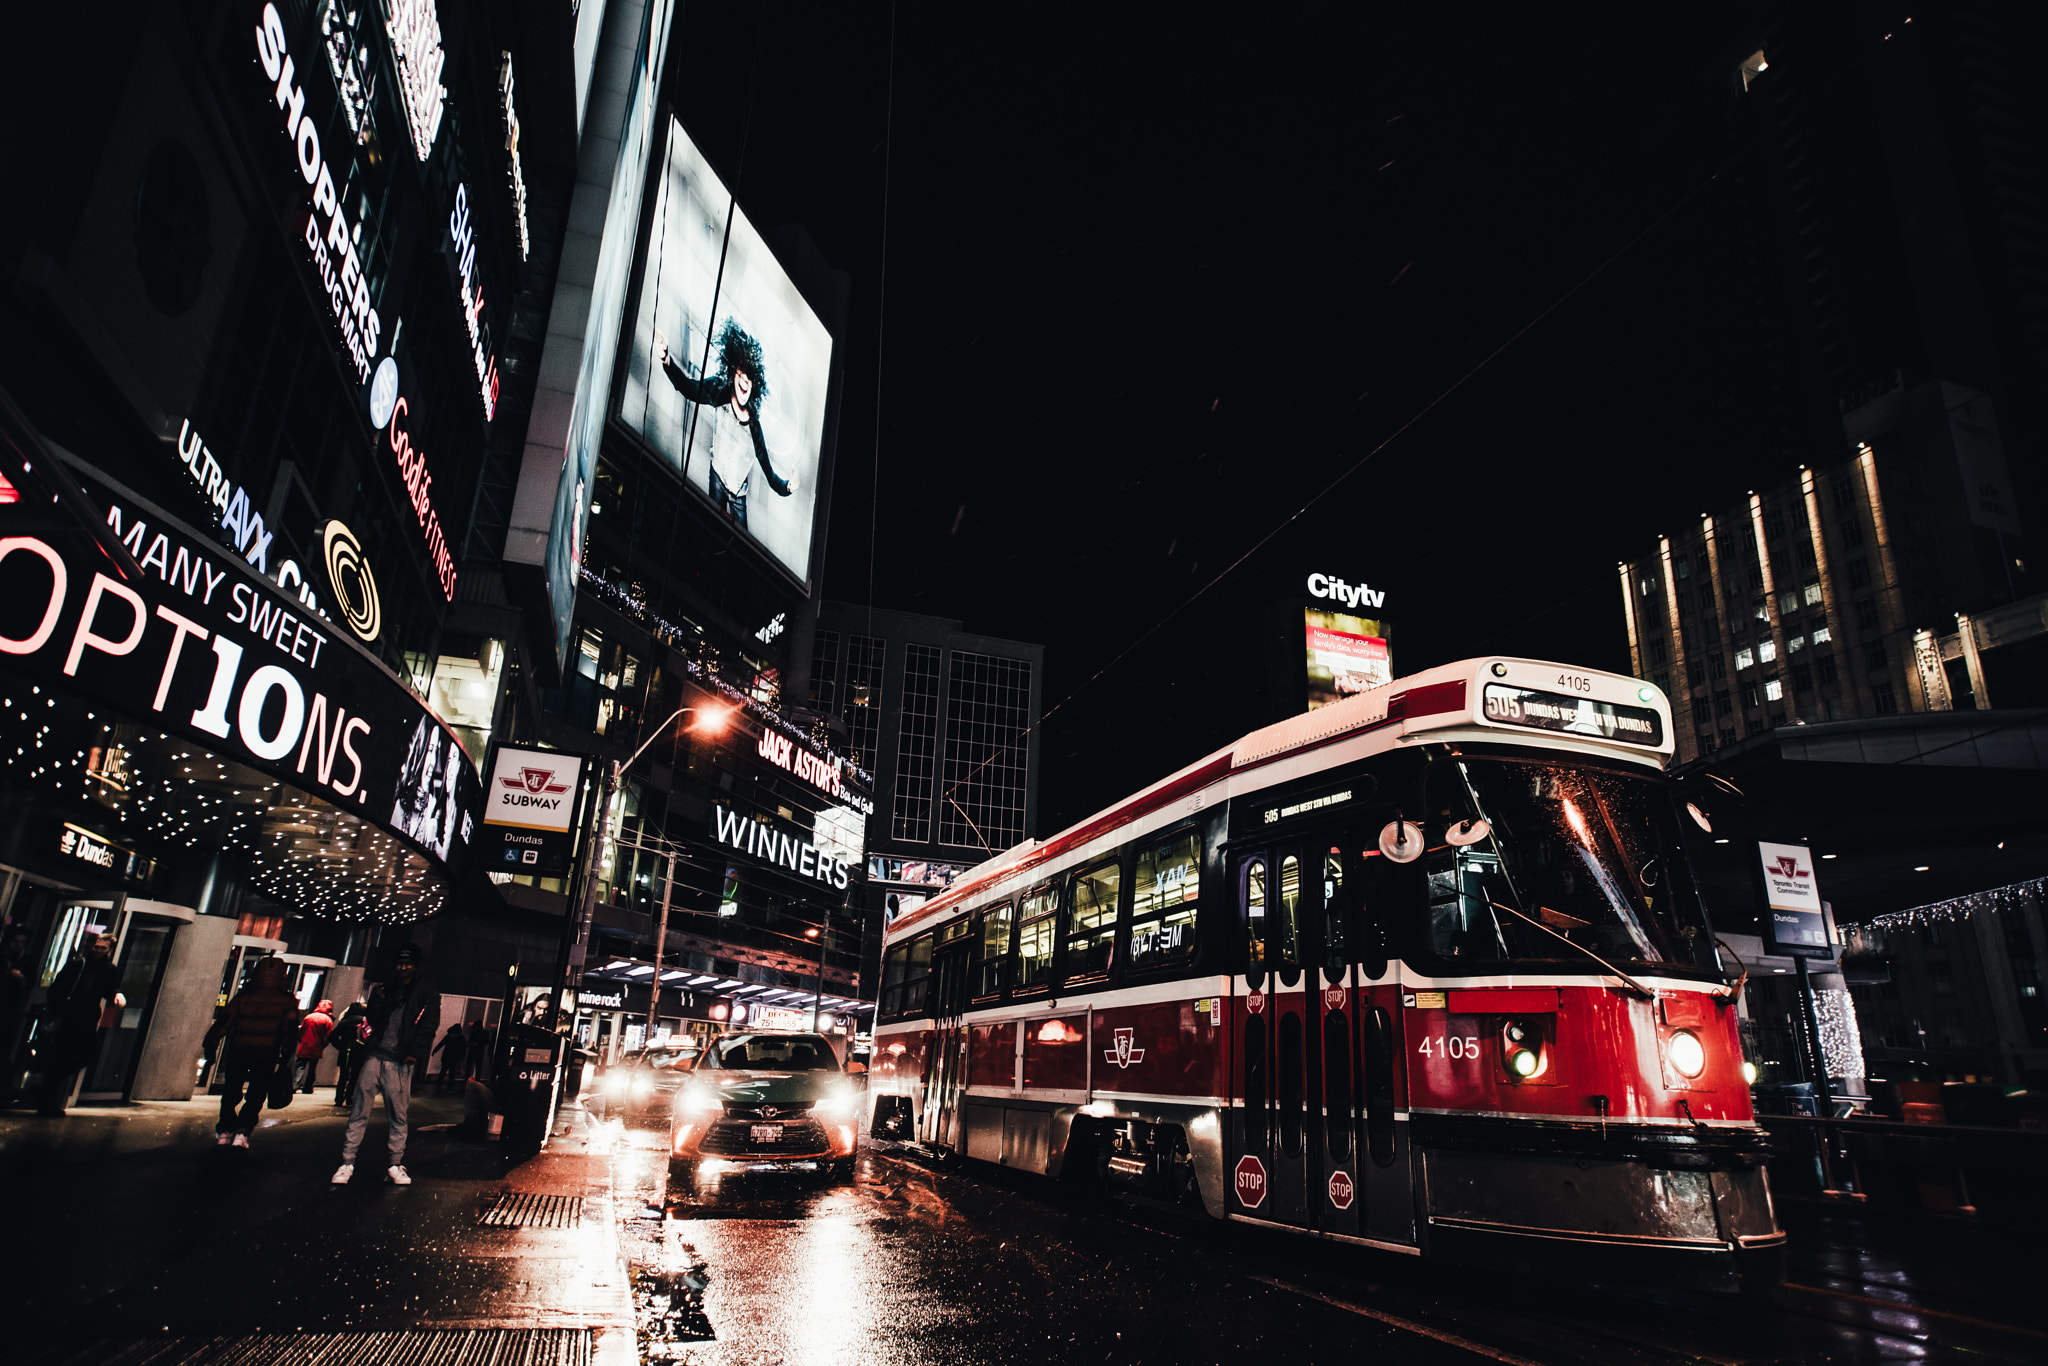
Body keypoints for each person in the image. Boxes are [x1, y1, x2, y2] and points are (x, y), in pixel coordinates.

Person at [654, 321, 796, 528]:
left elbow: (770, 474)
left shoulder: (754, 427)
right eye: (741, 373)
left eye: (750, 378)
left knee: (740, 547)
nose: (745, 381)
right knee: (712, 530)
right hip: (717, 478)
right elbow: (688, 388)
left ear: (755, 385)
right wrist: (666, 359)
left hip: (738, 493)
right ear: (733, 372)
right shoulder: (719, 392)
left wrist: (788, 487)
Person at [332, 945, 437, 1186]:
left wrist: (415, 1054)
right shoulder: (384, 988)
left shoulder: (425, 991)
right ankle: (347, 1162)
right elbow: (372, 1019)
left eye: (408, 963)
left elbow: (429, 1025)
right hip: (375, 1056)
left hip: (399, 1061)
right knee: (360, 1111)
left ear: (415, 965)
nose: (403, 967)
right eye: (400, 963)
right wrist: (378, 1000)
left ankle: (394, 1163)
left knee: (398, 1116)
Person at [202, 956, 300, 1147]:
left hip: (238, 1050)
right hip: (266, 1053)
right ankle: (243, 1132)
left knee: (231, 1091)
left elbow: (224, 1023)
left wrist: (211, 1044)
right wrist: (286, 1054)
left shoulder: (243, 998)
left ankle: (225, 1130)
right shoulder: (287, 1001)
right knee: (256, 1092)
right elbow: (289, 1030)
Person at [31, 932, 122, 1115]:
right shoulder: (78, 964)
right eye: (96, 946)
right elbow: (56, 990)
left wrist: (115, 995)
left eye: (102, 948)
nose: (98, 950)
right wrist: (64, 1010)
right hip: (70, 1017)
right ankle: (47, 1100)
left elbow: (108, 990)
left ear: (109, 949)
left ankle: (47, 1090)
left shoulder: (108, 969)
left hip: (85, 1018)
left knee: (84, 1055)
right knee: (66, 1057)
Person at [0, 922, 34, 1106]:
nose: (18, 945)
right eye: (15, 941)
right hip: (7, 1008)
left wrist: (22, 980)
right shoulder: (5, 958)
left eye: (22, 942)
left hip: (9, 1012)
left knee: (4, 1049)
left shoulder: (25, 962)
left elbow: (31, 982)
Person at [330, 999, 369, 1109]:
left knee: (342, 1076)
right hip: (359, 1051)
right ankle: (349, 1096)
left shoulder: (343, 1022)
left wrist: (340, 1046)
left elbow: (332, 1036)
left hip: (345, 1051)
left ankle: (338, 1098)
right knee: (355, 1076)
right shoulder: (363, 1021)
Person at [294, 999, 334, 1093]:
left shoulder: (309, 1017)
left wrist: (301, 1041)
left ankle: (294, 1085)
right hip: (316, 1047)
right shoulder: (327, 1020)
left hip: (304, 1045)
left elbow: (301, 1031)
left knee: (300, 1067)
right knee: (312, 1069)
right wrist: (323, 1046)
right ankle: (308, 1087)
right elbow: (328, 1036)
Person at [431, 1022, 466, 1093]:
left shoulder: (448, 1036)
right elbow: (463, 1048)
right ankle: (450, 1084)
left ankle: (440, 1081)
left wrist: (435, 1050)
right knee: (452, 1071)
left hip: (446, 1055)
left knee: (443, 1069)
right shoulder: (461, 1038)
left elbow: (441, 1044)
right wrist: (462, 1057)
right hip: (455, 1056)